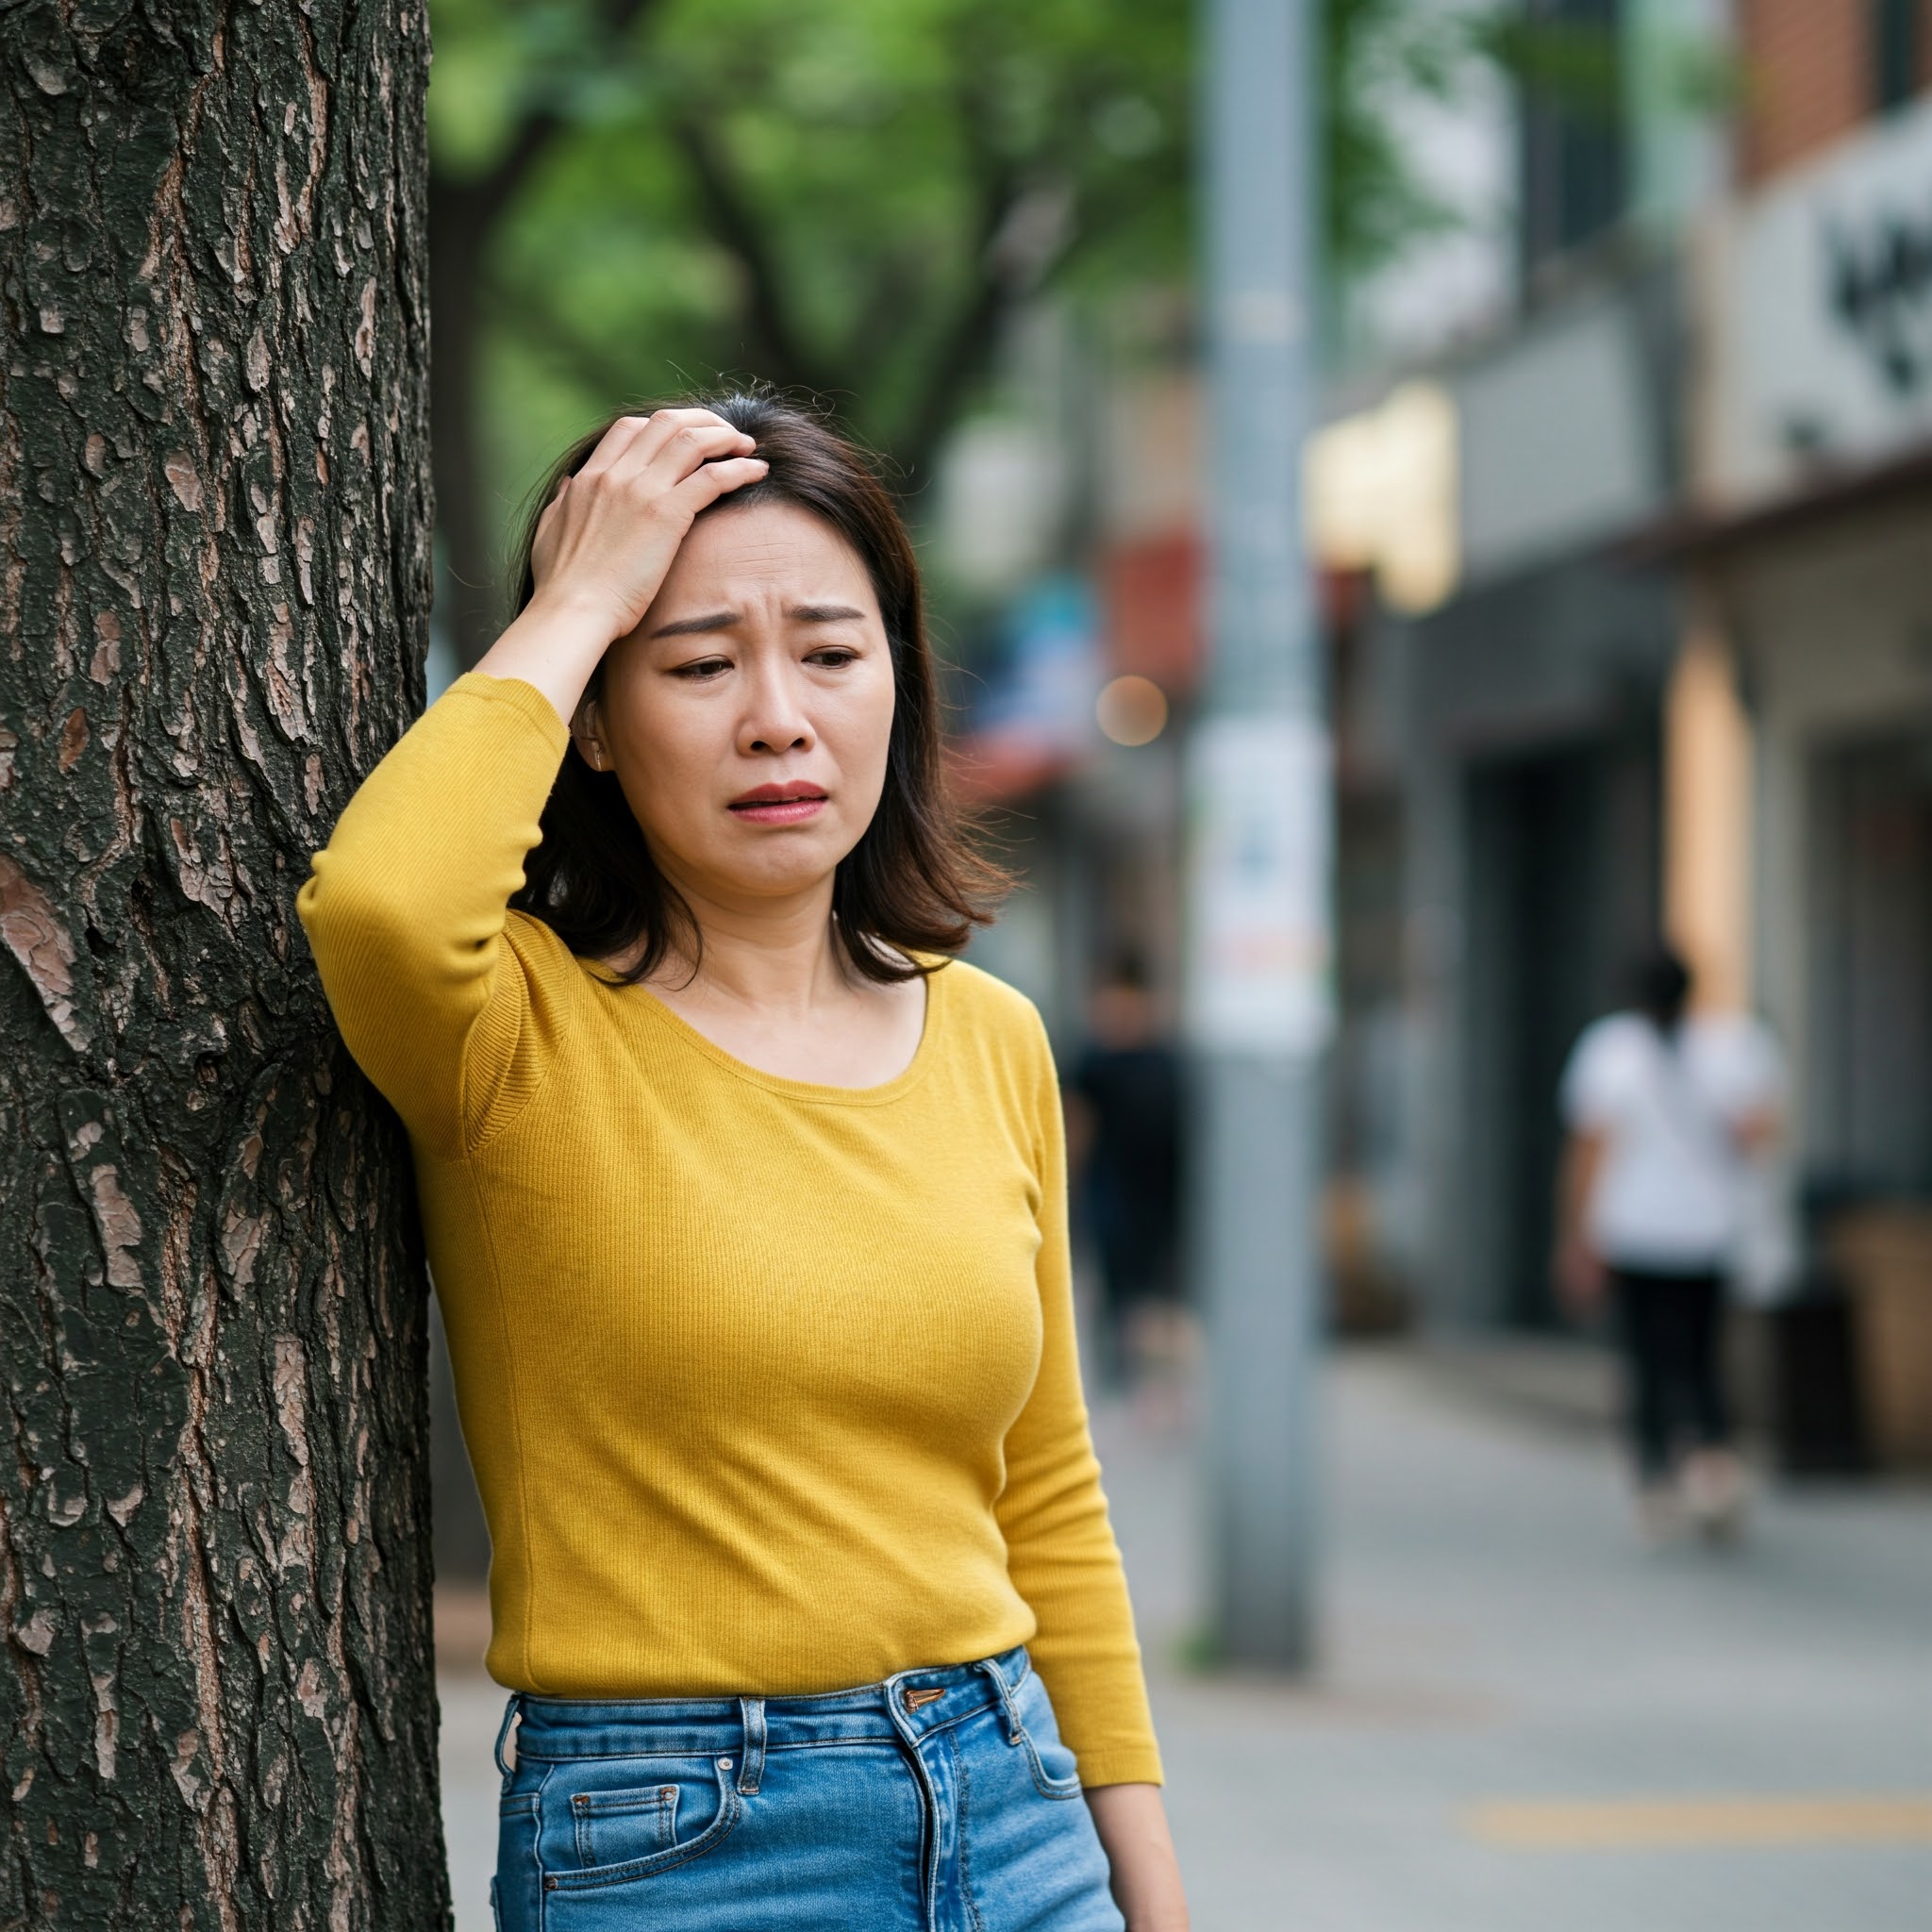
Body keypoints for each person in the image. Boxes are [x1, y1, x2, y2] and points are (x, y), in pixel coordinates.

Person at [297, 395, 1186, 1931]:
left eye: (831, 652)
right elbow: (377, 905)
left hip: (1013, 1808)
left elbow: (1044, 1489)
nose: (777, 714)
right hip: (679, 1842)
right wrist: (579, 593)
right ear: (593, 711)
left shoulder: (988, 1037)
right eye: (699, 662)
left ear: (899, 684)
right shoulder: (512, 1025)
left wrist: (1149, 1893)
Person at [1554, 948, 1785, 1545]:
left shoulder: (1612, 1051)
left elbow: (1588, 1151)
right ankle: (1710, 1464)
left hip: (1634, 1229)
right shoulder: (1734, 1046)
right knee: (1702, 1351)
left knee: (1647, 1357)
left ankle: (1657, 1475)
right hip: (1708, 1229)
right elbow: (1760, 1132)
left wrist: (1577, 1237)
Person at [1065, 953, 1187, 1400]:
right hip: (1110, 1192)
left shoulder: (1166, 1061)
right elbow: (1077, 1124)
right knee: (1117, 1289)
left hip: (1162, 1196)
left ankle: (1157, 1385)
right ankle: (1122, 1377)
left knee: (1159, 1296)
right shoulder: (1093, 1061)